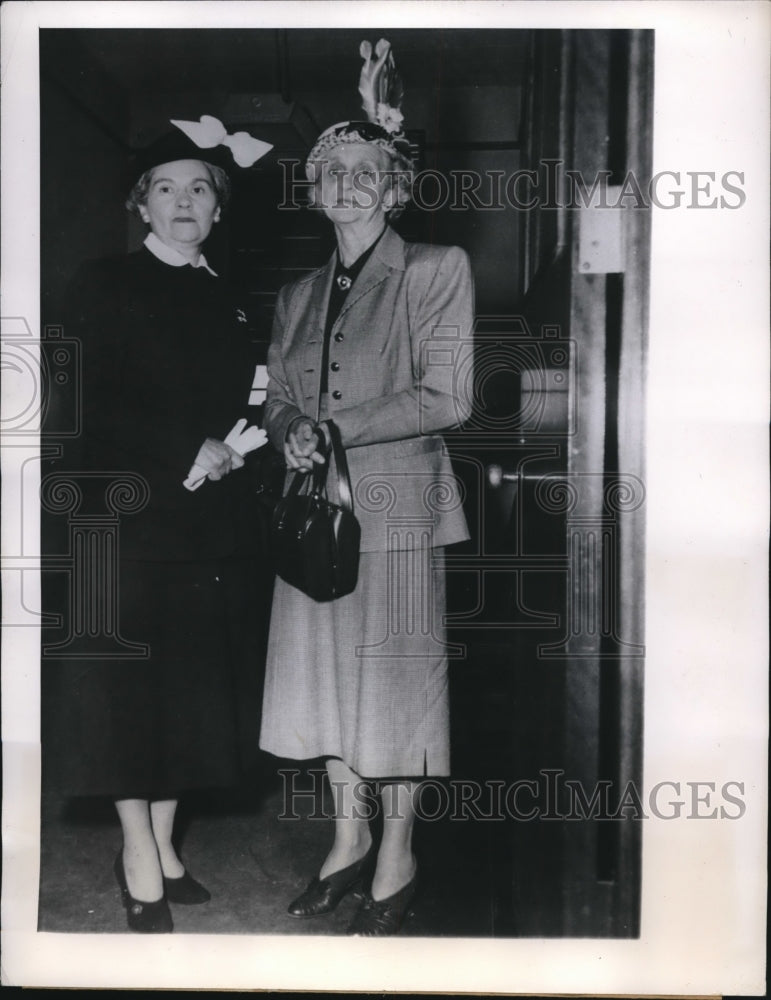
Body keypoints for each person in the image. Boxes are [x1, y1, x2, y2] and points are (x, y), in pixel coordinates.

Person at [259, 39, 474, 936]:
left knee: (393, 691)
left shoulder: (435, 269)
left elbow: (448, 395)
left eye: (366, 171)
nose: (348, 182)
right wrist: (288, 429)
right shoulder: (297, 293)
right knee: (324, 689)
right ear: (313, 188)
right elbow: (276, 398)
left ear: (393, 190)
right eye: (332, 170)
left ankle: (398, 856)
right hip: (314, 517)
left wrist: (334, 427)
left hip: (395, 510)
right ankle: (345, 843)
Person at [46, 119, 272, 933]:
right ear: (141, 206)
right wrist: (187, 447)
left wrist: (241, 450)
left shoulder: (230, 299)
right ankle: (136, 850)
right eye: (166, 188)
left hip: (209, 523)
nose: (184, 201)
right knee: (128, 699)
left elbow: (247, 407)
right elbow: (81, 402)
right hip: (126, 517)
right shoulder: (100, 282)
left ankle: (168, 843)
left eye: (201, 188)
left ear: (218, 210)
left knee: (193, 696)